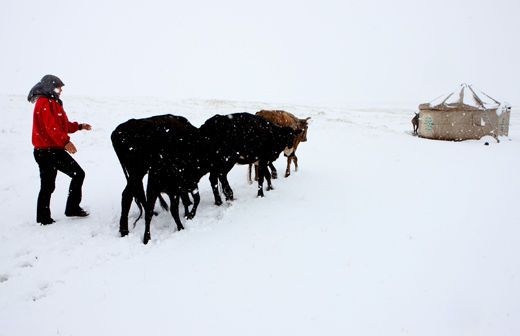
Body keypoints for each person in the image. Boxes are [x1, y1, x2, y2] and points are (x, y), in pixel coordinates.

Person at [28, 75, 92, 225]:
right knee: (62, 180)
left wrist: (80, 126)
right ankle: (59, 212)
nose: (60, 91)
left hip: (51, 150)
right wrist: (66, 142)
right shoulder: (44, 103)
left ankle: (64, 210)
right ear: (49, 87)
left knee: (57, 182)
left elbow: (63, 126)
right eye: (58, 87)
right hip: (47, 151)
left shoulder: (53, 103)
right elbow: (52, 128)